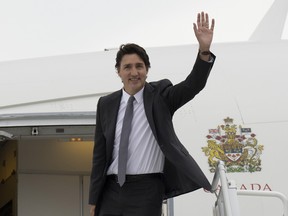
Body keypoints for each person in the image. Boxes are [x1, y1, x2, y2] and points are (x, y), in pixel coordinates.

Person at [89, 11, 215, 216]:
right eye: (127, 67)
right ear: (118, 71)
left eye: (139, 66)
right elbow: (99, 156)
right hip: (111, 190)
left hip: (147, 189)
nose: (134, 72)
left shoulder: (161, 96)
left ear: (147, 69)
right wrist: (94, 199)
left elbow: (193, 85)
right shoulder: (106, 104)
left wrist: (204, 51)